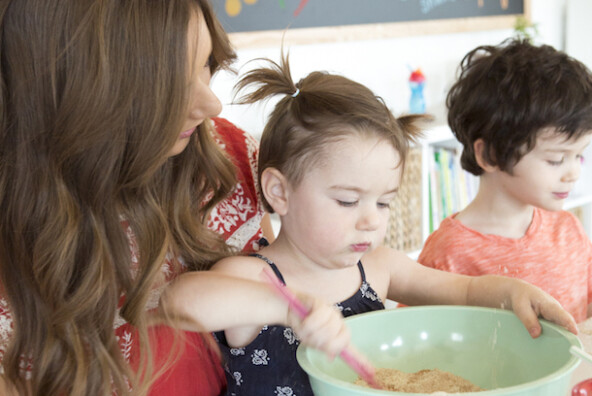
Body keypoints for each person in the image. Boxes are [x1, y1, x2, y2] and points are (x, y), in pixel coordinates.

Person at [161, 52, 579, 396]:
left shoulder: (378, 269)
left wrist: (512, 290)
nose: (369, 221)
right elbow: (178, 302)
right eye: (347, 200)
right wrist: (284, 308)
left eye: (384, 203)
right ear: (280, 192)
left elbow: (465, 288)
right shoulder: (255, 277)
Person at [0, 1, 290, 395]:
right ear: (76, 99)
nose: (212, 105)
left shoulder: (226, 162)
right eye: (170, 87)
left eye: (205, 64)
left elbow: (281, 299)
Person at [418, 38, 592, 324]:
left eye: (579, 156)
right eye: (556, 160)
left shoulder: (568, 229)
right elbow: (420, 346)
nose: (573, 172)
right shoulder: (449, 252)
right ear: (490, 154)